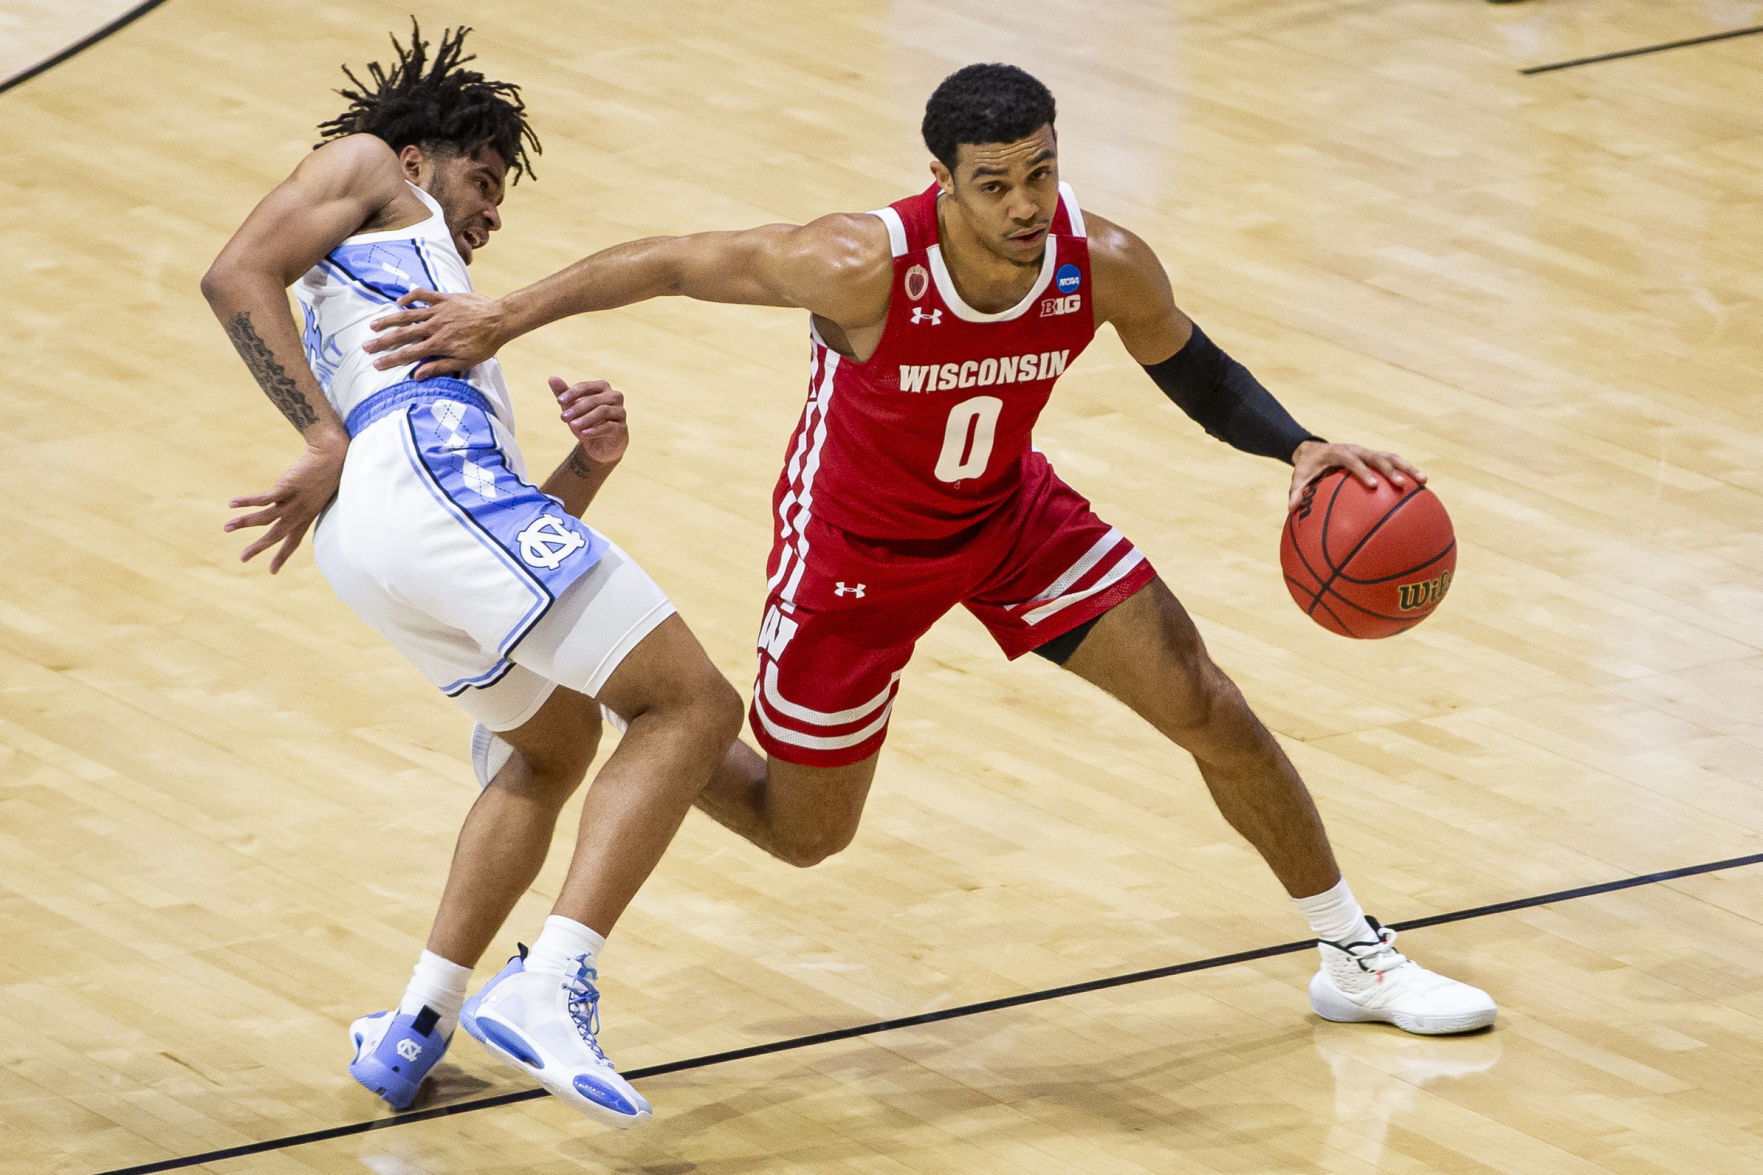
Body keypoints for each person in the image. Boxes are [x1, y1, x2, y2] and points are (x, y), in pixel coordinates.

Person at [366, 63, 1497, 1039]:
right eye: (993, 183)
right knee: (802, 833)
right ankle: (643, 715)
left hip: (1009, 520)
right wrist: (500, 316)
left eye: (1039, 174)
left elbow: (1189, 365)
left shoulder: (1099, 260)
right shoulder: (858, 263)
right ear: (942, 181)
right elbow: (673, 259)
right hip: (853, 555)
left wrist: (1295, 447)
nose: (1021, 204)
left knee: (1207, 702)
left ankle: (1352, 953)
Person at [199, 23, 743, 1127]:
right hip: (399, 487)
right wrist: (318, 435)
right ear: (416, 160)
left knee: (551, 746)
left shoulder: (432, 304)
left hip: (384, 535)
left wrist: (586, 467)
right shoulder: (366, 166)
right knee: (691, 705)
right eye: (483, 178)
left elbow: (484, 528)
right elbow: (233, 272)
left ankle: (417, 1023)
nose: (492, 210)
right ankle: (550, 979)